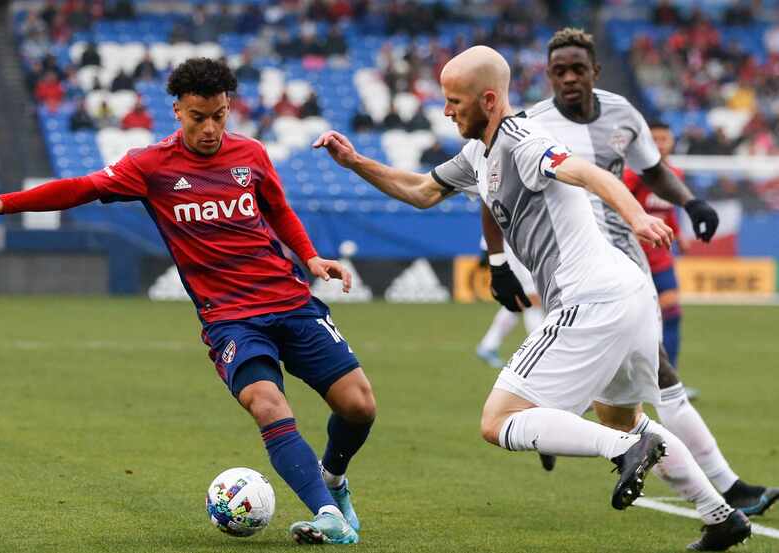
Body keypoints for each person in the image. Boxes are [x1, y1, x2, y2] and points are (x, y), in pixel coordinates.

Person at [313, 46, 751, 551]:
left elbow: (592, 174)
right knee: (623, 415)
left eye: (455, 100)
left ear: (490, 99)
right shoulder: (480, 152)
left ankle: (628, 450)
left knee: (498, 420)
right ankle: (719, 515)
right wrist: (355, 162)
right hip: (625, 296)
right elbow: (420, 190)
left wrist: (635, 216)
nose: (447, 110)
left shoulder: (523, 142)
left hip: (592, 300)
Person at [0, 58, 371, 546]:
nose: (211, 127)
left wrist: (311, 257)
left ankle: (334, 481)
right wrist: (4, 203)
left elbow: (278, 209)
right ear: (177, 111)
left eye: (219, 115)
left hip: (289, 299)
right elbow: (81, 188)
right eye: (199, 117)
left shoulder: (252, 154)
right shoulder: (150, 166)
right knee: (267, 403)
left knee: (359, 406)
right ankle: (326, 514)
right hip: (231, 319)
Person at [527, 27, 777, 519]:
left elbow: (654, 167)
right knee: (626, 402)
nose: (570, 78)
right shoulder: (533, 126)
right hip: (573, 272)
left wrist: (691, 201)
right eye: (560, 71)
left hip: (626, 265)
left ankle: (726, 491)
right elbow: (497, 191)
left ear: (595, 71)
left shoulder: (623, 113)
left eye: (579, 69)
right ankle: (549, 422)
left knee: (656, 382)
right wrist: (500, 264)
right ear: (549, 76)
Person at [623, 121, 684, 368]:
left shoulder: (676, 175)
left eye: (664, 139)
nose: (659, 144)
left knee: (671, 314)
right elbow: (615, 205)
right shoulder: (634, 174)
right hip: (632, 257)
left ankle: (670, 379)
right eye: (654, 139)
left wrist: (680, 236)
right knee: (631, 321)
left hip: (661, 258)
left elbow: (668, 213)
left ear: (672, 143)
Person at [475, 237, 544, 370]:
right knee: (532, 298)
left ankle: (488, 345)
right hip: (516, 248)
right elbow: (494, 218)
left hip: (521, 246)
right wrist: (485, 248)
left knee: (518, 302)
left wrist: (484, 249)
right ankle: (540, 350)